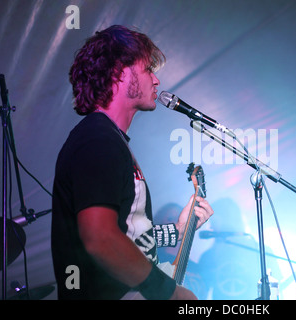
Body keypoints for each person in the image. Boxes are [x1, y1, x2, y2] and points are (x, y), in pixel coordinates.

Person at [51, 25, 213, 300]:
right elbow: (100, 238)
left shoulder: (111, 140)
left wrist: (177, 231)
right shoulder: (97, 139)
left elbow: (126, 235)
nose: (156, 80)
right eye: (148, 69)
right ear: (120, 72)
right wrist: (168, 292)